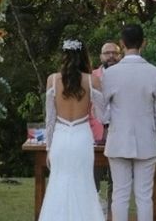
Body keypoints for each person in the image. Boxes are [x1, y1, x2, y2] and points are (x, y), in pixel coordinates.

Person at [103, 24, 156, 221]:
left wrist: (110, 121)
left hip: (118, 140)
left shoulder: (110, 74)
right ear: (144, 43)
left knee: (120, 196)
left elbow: (103, 111)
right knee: (144, 197)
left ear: (122, 44)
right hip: (147, 141)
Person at [38, 39, 105, 221]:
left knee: (58, 184)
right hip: (82, 136)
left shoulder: (52, 80)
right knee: (84, 183)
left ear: (64, 56)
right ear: (84, 56)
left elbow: (50, 119)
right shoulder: (92, 81)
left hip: (60, 138)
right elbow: (103, 116)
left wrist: (49, 148)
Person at [90, 41, 121, 215]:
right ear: (101, 56)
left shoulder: (126, 75)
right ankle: (94, 211)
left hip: (118, 132)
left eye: (114, 53)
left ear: (120, 55)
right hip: (95, 133)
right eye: (107, 53)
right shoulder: (92, 76)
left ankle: (113, 213)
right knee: (94, 174)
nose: (111, 56)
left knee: (115, 178)